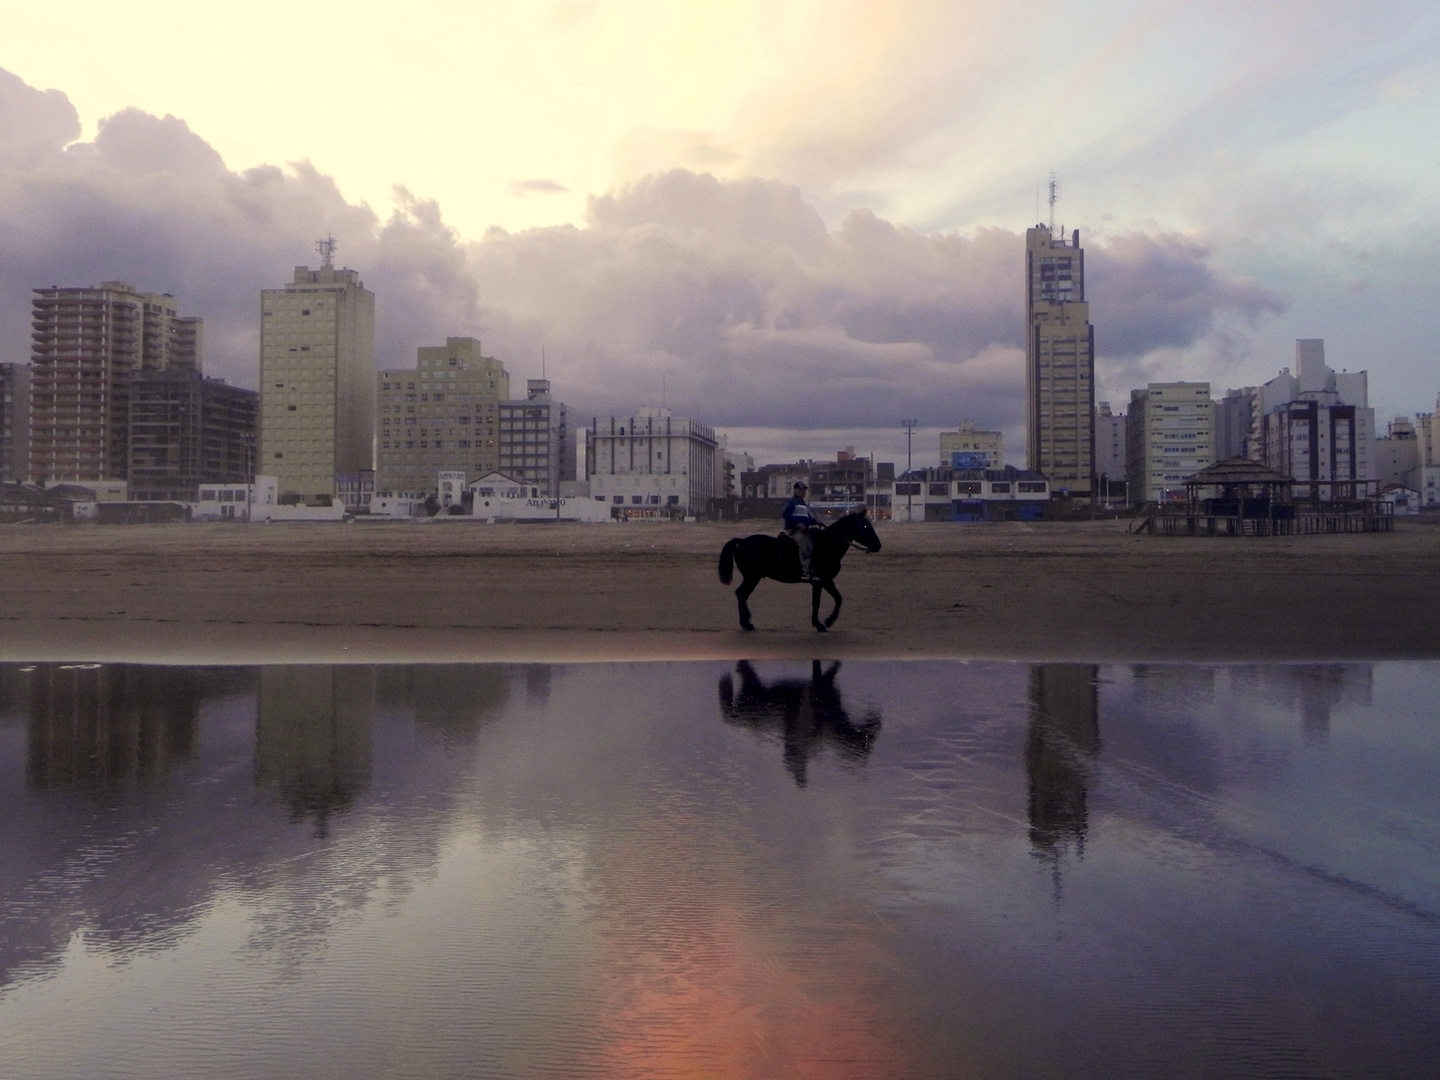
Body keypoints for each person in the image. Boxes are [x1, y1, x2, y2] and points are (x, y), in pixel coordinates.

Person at [782, 480, 821, 580]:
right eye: (801, 490)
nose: (803, 492)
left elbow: (807, 519)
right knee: (804, 546)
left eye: (804, 490)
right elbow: (785, 514)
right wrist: (798, 524)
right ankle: (805, 573)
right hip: (794, 531)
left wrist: (815, 521)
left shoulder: (803, 504)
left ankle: (813, 570)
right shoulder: (792, 502)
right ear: (795, 490)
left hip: (803, 530)